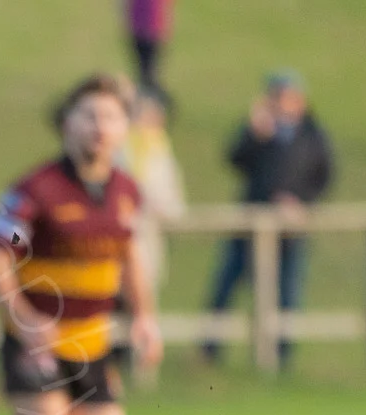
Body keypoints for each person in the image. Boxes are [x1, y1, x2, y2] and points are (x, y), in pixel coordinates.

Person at [0, 74, 161, 415]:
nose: (100, 126)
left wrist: (144, 317)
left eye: (111, 117)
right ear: (66, 123)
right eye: (89, 115)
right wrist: (23, 319)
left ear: (124, 127)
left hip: (93, 348)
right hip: (37, 351)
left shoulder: (126, 191)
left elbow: (127, 254)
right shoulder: (37, 193)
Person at [204, 71, 333, 367]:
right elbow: (234, 160)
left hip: (291, 230)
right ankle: (209, 349)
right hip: (249, 224)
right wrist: (254, 135)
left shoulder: (313, 134)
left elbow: (324, 176)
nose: (281, 103)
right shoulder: (260, 129)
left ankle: (282, 357)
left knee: (288, 291)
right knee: (226, 284)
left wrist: (301, 202)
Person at [119, 88, 186, 294]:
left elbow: (171, 190)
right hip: (120, 230)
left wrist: (170, 210)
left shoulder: (160, 148)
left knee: (146, 286)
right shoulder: (120, 145)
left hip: (150, 229)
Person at [125, 0, 174, 99]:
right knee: (145, 71)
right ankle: (148, 96)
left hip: (152, 31)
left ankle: (152, 96)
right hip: (141, 30)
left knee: (149, 71)